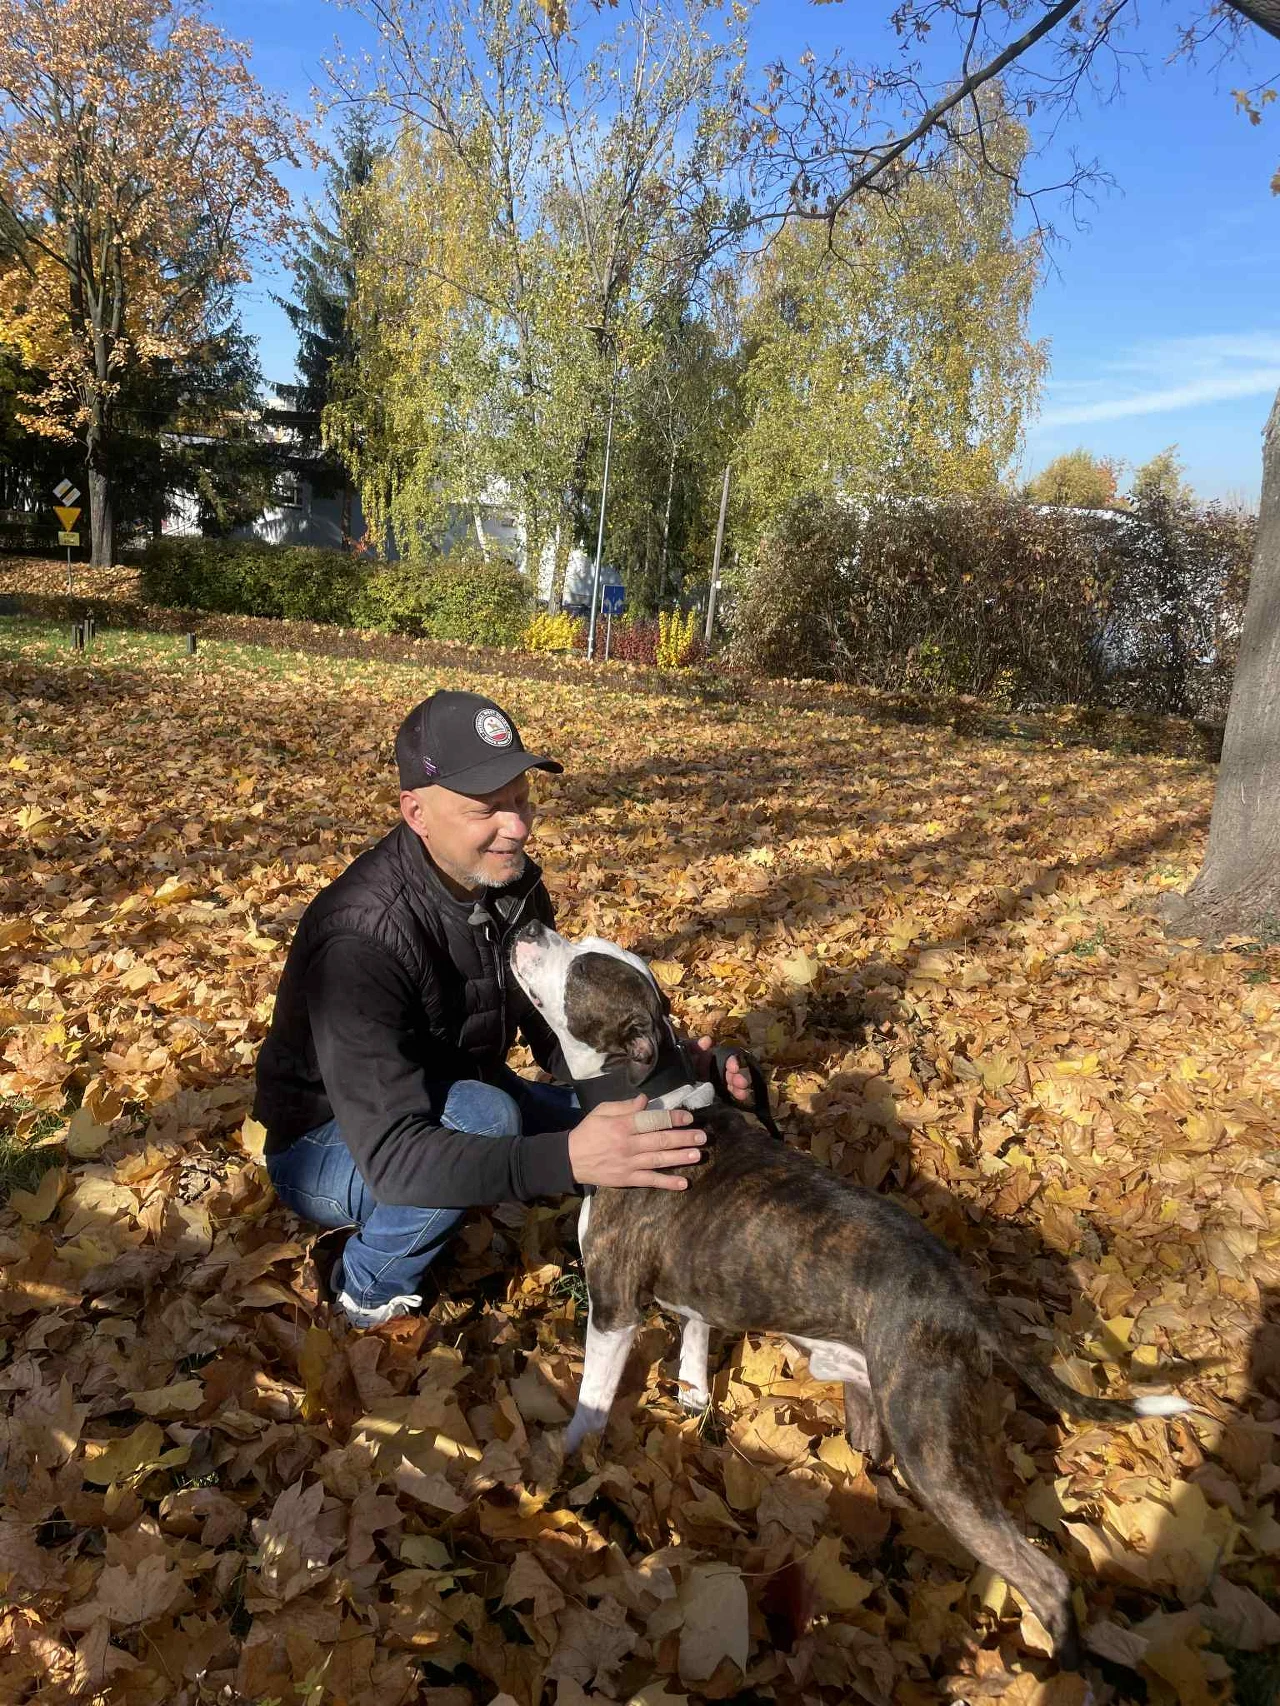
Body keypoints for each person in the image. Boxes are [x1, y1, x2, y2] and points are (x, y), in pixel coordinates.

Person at [253, 689, 750, 1327]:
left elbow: (559, 1038)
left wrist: (679, 1073)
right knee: (491, 1118)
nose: (516, 827)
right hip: (326, 1145)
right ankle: (365, 1286)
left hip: (457, 1095)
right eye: (486, 808)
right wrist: (567, 1159)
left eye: (520, 799)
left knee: (645, 1119)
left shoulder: (510, 883)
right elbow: (394, 1156)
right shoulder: (359, 938)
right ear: (416, 813)